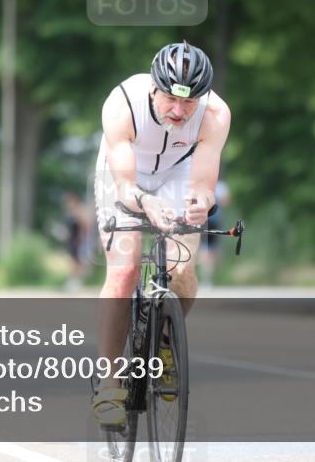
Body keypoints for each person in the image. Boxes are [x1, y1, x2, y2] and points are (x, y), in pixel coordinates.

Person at [92, 42, 231, 427]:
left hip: (177, 174)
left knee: (182, 267)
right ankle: (108, 380)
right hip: (125, 176)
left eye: (189, 103)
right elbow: (124, 188)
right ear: (154, 88)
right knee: (124, 272)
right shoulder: (122, 104)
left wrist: (200, 204)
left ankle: (166, 342)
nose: (179, 111)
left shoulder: (215, 115)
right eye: (171, 99)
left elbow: (203, 184)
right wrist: (146, 205)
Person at [200, 180, 232, 287]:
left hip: (212, 221)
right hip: (206, 221)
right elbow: (225, 202)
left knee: (208, 250)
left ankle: (207, 278)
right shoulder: (220, 186)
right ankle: (207, 279)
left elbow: (226, 202)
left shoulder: (218, 186)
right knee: (207, 250)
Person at [62, 192, 91, 291]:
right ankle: (74, 281)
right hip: (71, 239)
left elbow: (84, 225)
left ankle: (77, 281)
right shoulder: (69, 212)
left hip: (78, 239)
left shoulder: (78, 210)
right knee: (73, 261)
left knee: (78, 261)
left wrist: (83, 238)